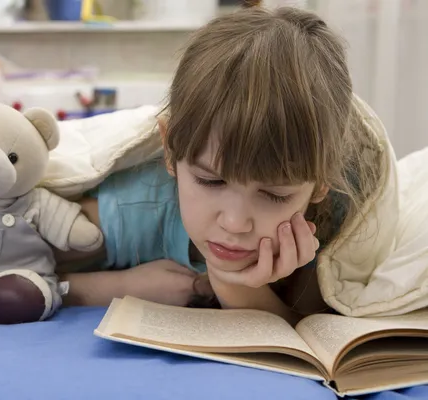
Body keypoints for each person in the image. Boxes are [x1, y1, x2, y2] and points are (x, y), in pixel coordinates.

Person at [54, 5, 382, 325]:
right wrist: (119, 288)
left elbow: (310, 334)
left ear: (321, 182)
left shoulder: (331, 218)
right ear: (170, 149)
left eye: (275, 194)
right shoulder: (136, 207)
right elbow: (8, 263)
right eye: (210, 181)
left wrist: (232, 284)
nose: (235, 222)